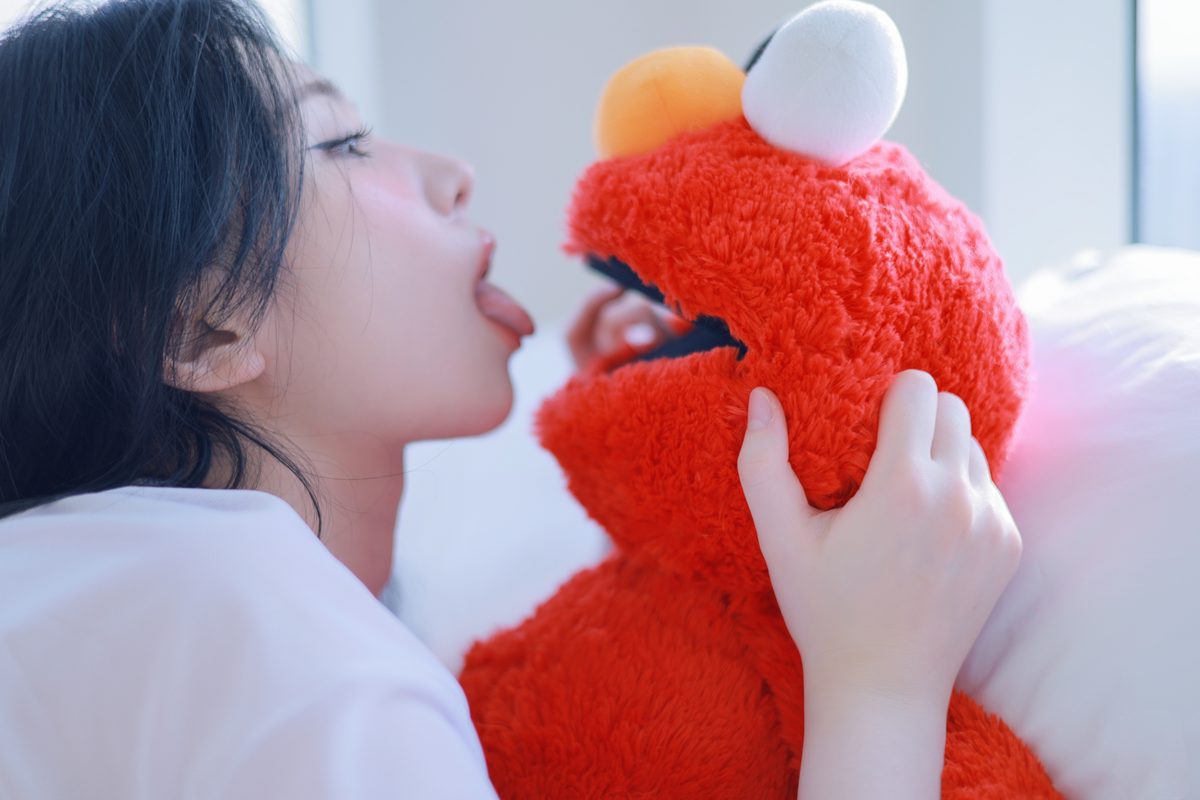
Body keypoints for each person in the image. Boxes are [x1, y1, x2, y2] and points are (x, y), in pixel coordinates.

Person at [0, 1, 1022, 798]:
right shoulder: (293, 662)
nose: (453, 174)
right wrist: (877, 687)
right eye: (342, 144)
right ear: (203, 331)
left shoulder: (107, 597)